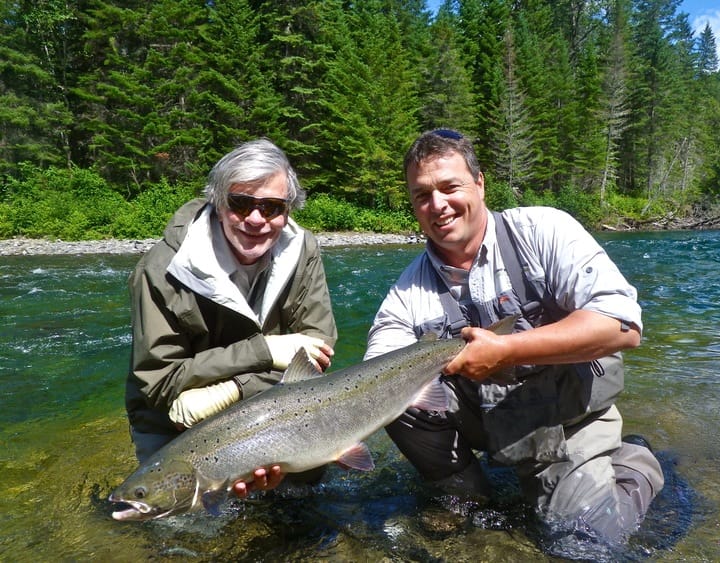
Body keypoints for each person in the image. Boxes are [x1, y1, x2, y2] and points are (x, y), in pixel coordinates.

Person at [365, 129, 664, 544]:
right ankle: (469, 501)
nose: (438, 205)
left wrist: (507, 350)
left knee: (579, 543)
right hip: (492, 421)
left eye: (450, 187)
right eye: (421, 195)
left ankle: (635, 465)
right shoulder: (407, 293)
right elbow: (369, 378)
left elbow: (622, 325)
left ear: (480, 183)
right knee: (396, 398)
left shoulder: (542, 231)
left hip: (570, 420)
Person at [125, 138, 337, 493]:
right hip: (171, 424)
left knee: (304, 493)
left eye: (272, 207)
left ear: (288, 210)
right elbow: (161, 386)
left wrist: (235, 391)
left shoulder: (303, 250)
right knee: (167, 516)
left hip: (267, 410)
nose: (256, 219)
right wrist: (264, 351)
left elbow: (316, 353)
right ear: (218, 202)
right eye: (241, 203)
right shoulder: (162, 269)